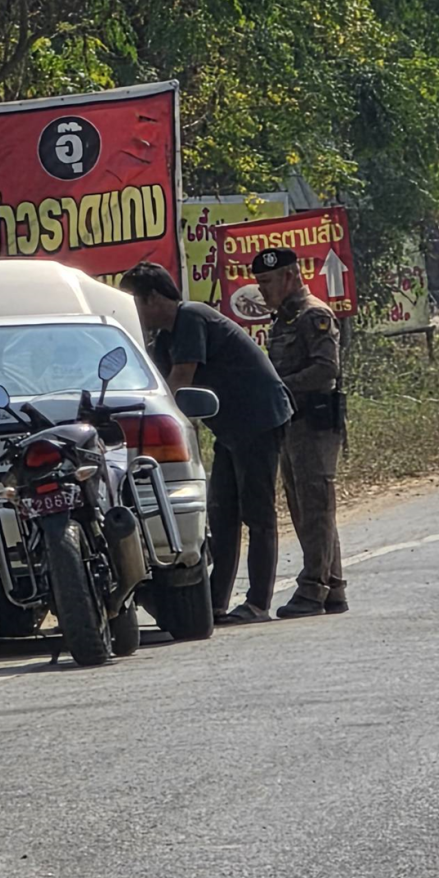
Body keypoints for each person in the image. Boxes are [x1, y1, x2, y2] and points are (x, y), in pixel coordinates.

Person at [120, 261, 293, 625]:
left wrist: (148, 427)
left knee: (258, 514)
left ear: (153, 298)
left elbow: (179, 381)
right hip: (229, 428)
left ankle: (258, 603)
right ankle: (214, 602)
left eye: (134, 302)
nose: (133, 313)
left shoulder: (191, 318)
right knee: (222, 514)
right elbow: (156, 388)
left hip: (258, 419)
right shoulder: (165, 338)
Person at [253, 247, 348, 618]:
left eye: (267, 281)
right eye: (259, 282)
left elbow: (326, 369)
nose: (262, 290)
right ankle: (333, 587)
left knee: (316, 507)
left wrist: (278, 387)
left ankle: (312, 589)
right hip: (292, 424)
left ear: (290, 276)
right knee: (305, 508)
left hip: (315, 423)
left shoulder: (314, 315)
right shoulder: (285, 319)